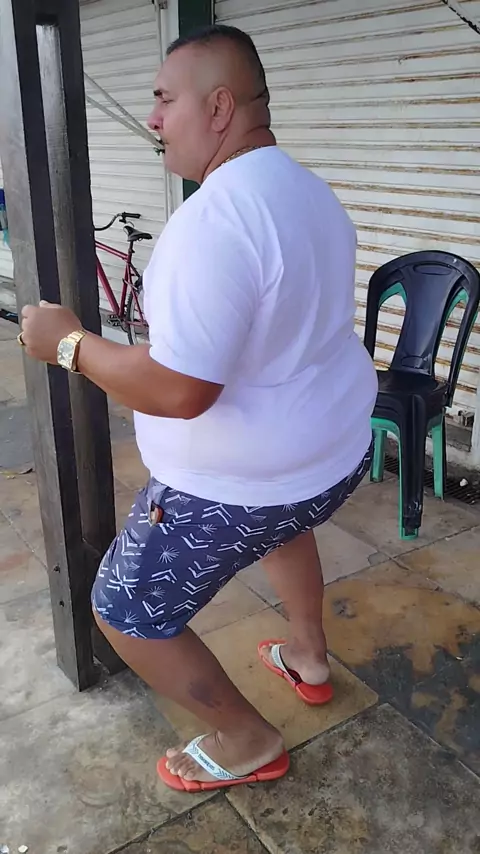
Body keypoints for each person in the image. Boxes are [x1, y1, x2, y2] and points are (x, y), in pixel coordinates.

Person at [19, 24, 378, 793]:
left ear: (219, 108)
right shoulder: (309, 193)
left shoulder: (213, 224)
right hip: (332, 459)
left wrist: (69, 344)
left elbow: (180, 390)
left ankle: (247, 738)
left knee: (123, 609)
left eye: (163, 99)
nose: (152, 119)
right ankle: (308, 657)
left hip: (239, 485)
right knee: (286, 530)